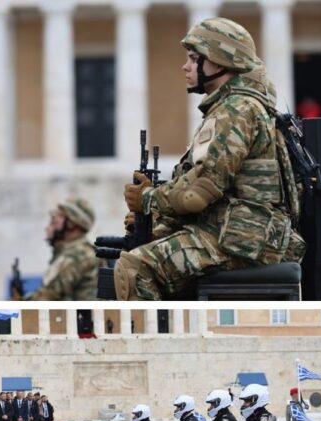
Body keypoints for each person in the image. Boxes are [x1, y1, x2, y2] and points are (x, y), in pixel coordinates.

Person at [114, 18, 305, 300]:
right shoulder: (233, 107)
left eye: (194, 58)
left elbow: (196, 194)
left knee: (134, 269)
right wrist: (154, 219)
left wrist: (147, 199)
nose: (186, 66)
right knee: (142, 248)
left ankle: (159, 345)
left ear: (220, 61)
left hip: (245, 242)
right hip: (236, 236)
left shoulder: (236, 110)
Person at [19, 198, 99, 301]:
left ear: (72, 223)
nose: (48, 227)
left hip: (80, 316)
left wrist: (20, 303)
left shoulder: (77, 255)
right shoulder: (78, 251)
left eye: (57, 218)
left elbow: (47, 296)